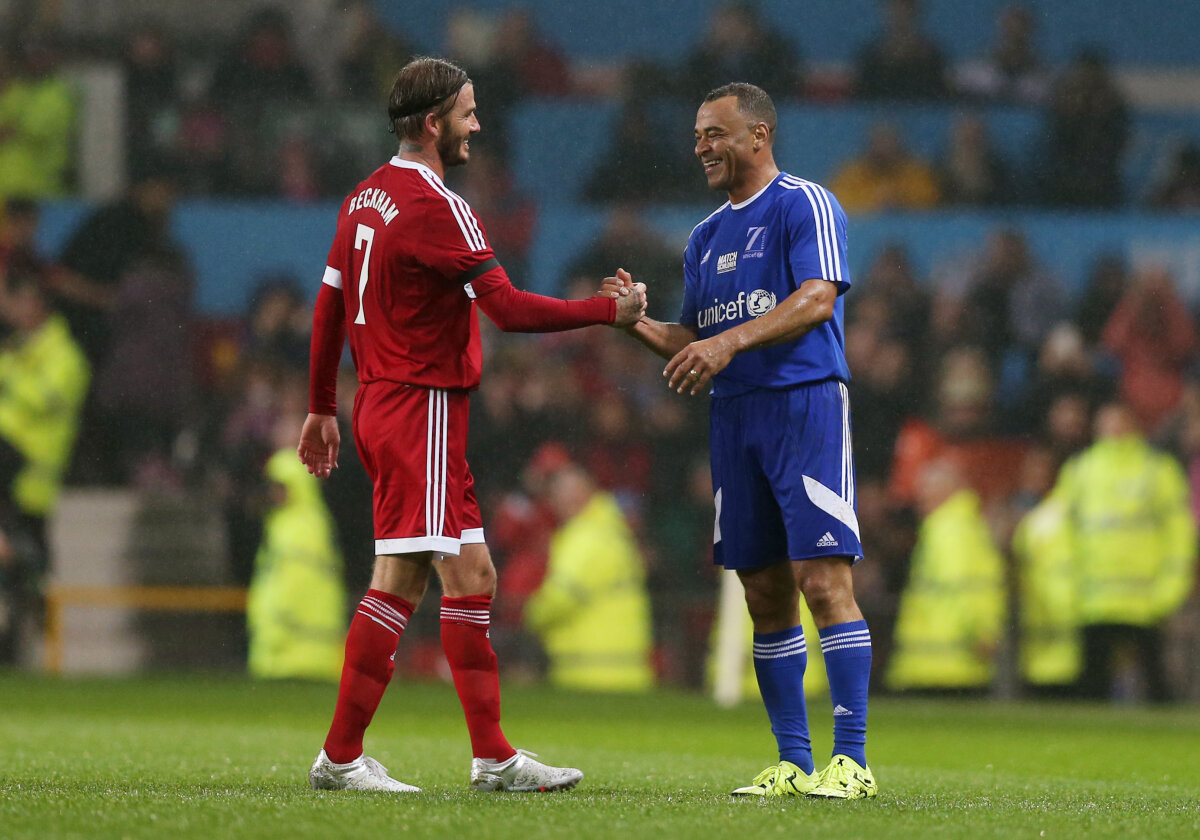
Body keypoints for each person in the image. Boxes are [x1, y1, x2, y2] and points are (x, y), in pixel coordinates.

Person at [298, 56, 646, 794]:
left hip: (391, 404)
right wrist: (606, 312)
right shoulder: (439, 206)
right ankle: (342, 757)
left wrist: (323, 405)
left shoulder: (364, 197)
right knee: (403, 578)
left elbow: (330, 302)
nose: (477, 126)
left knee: (471, 574)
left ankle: (492, 758)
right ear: (433, 124)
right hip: (418, 404)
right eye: (467, 113)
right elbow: (508, 310)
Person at [613, 83, 876, 799]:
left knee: (822, 580)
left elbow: (818, 297)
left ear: (759, 135)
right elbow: (694, 338)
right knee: (763, 591)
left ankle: (851, 762)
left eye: (715, 133)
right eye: (698, 135)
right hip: (734, 415)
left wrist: (727, 342)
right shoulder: (704, 237)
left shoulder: (804, 203)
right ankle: (793, 762)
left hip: (805, 405)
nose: (701, 146)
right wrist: (634, 323)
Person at [1048, 402, 1196, 702]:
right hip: (1093, 598)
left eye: (1119, 422)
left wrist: (1172, 585)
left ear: (1133, 425)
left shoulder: (1157, 470)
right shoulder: (1080, 470)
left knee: (1157, 685)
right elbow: (1060, 532)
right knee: (1092, 686)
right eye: (1107, 422)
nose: (1113, 429)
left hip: (1146, 598)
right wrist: (1064, 585)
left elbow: (1179, 533)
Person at [523, 455, 654, 693]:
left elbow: (560, 598)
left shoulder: (585, 536)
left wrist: (528, 615)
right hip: (621, 667)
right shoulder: (611, 528)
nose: (560, 500)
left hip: (592, 671)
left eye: (563, 492)